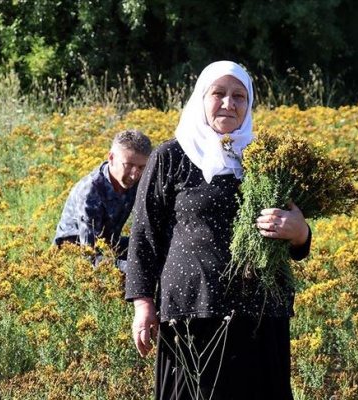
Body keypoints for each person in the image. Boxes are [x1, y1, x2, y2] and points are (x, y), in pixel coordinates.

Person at [124, 60, 312, 399]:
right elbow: (144, 234)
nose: (229, 103)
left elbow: (295, 238)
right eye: (218, 93)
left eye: (239, 96)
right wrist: (143, 305)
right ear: (201, 98)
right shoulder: (171, 156)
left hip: (259, 313)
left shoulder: (267, 159)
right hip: (191, 309)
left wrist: (300, 233)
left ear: (249, 103)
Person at [53, 129, 152, 270]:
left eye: (141, 167)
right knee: (140, 270)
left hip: (108, 245)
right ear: (111, 158)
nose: (134, 174)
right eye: (129, 165)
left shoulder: (137, 181)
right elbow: (90, 254)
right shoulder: (90, 192)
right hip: (73, 259)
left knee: (154, 250)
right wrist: (134, 268)